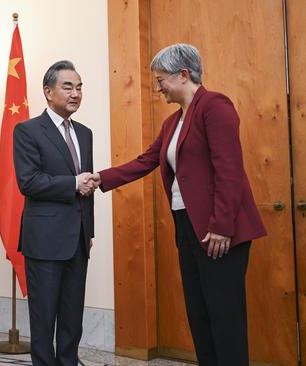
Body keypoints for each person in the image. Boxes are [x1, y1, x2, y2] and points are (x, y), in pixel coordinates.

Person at [92, 43, 266, 365]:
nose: (159, 88)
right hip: (187, 228)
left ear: (183, 75)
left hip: (218, 229)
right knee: (199, 316)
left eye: (161, 81)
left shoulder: (215, 106)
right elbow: (147, 160)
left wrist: (221, 227)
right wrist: (101, 179)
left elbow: (229, 171)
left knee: (224, 318)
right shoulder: (174, 122)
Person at [13, 60, 95, 366]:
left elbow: (88, 189)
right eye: (68, 86)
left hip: (78, 240)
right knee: (44, 318)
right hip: (45, 241)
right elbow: (29, 182)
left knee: (73, 318)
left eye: (79, 86)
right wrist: (73, 183)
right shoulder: (27, 130)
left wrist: (90, 232)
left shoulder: (85, 133)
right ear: (48, 92)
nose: (76, 93)